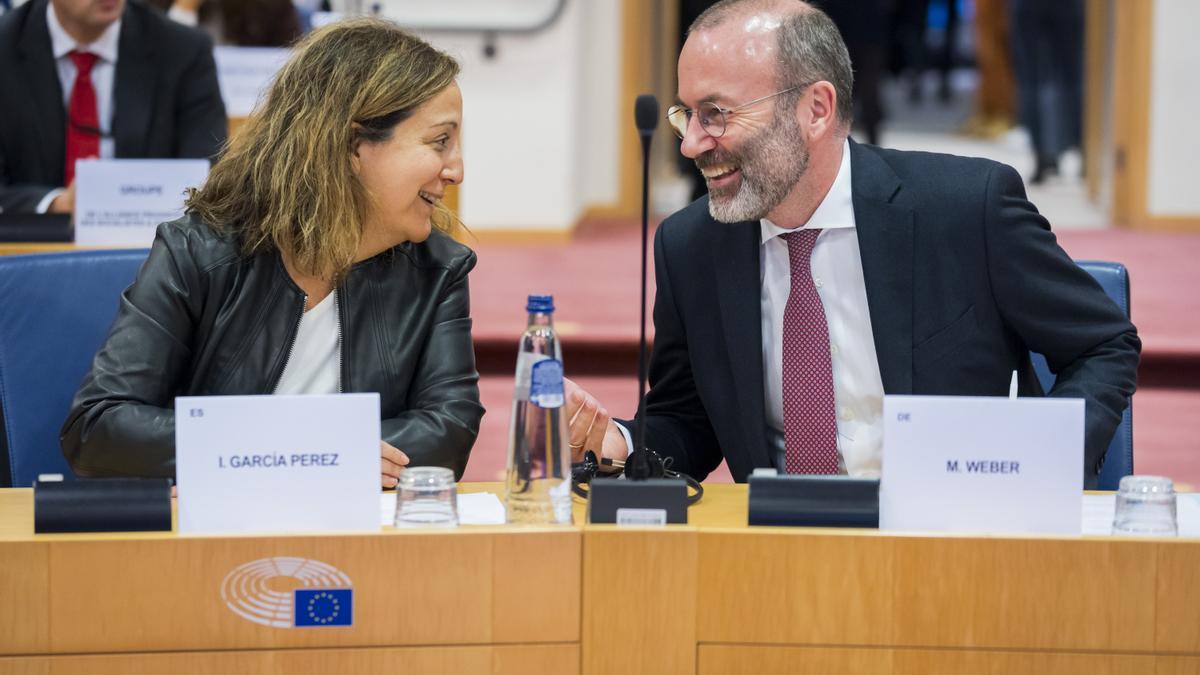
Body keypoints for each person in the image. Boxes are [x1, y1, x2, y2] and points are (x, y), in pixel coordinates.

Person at [564, 0, 1139, 490]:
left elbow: (1103, 344)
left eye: (715, 114)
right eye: (685, 115)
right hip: (781, 562)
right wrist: (616, 440)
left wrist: (1035, 464)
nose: (690, 144)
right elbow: (687, 418)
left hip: (948, 542)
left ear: (816, 109)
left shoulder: (966, 210)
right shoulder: (691, 247)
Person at [60, 18, 483, 487]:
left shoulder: (438, 268)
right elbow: (98, 428)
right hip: (214, 537)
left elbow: (450, 428)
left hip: (359, 536)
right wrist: (307, 451)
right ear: (351, 145)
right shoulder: (199, 252)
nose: (457, 170)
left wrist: (296, 453)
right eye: (439, 142)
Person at [0, 0, 227, 214]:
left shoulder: (184, 50)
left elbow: (205, 173)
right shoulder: (6, 44)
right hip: (27, 244)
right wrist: (56, 203)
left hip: (147, 241)